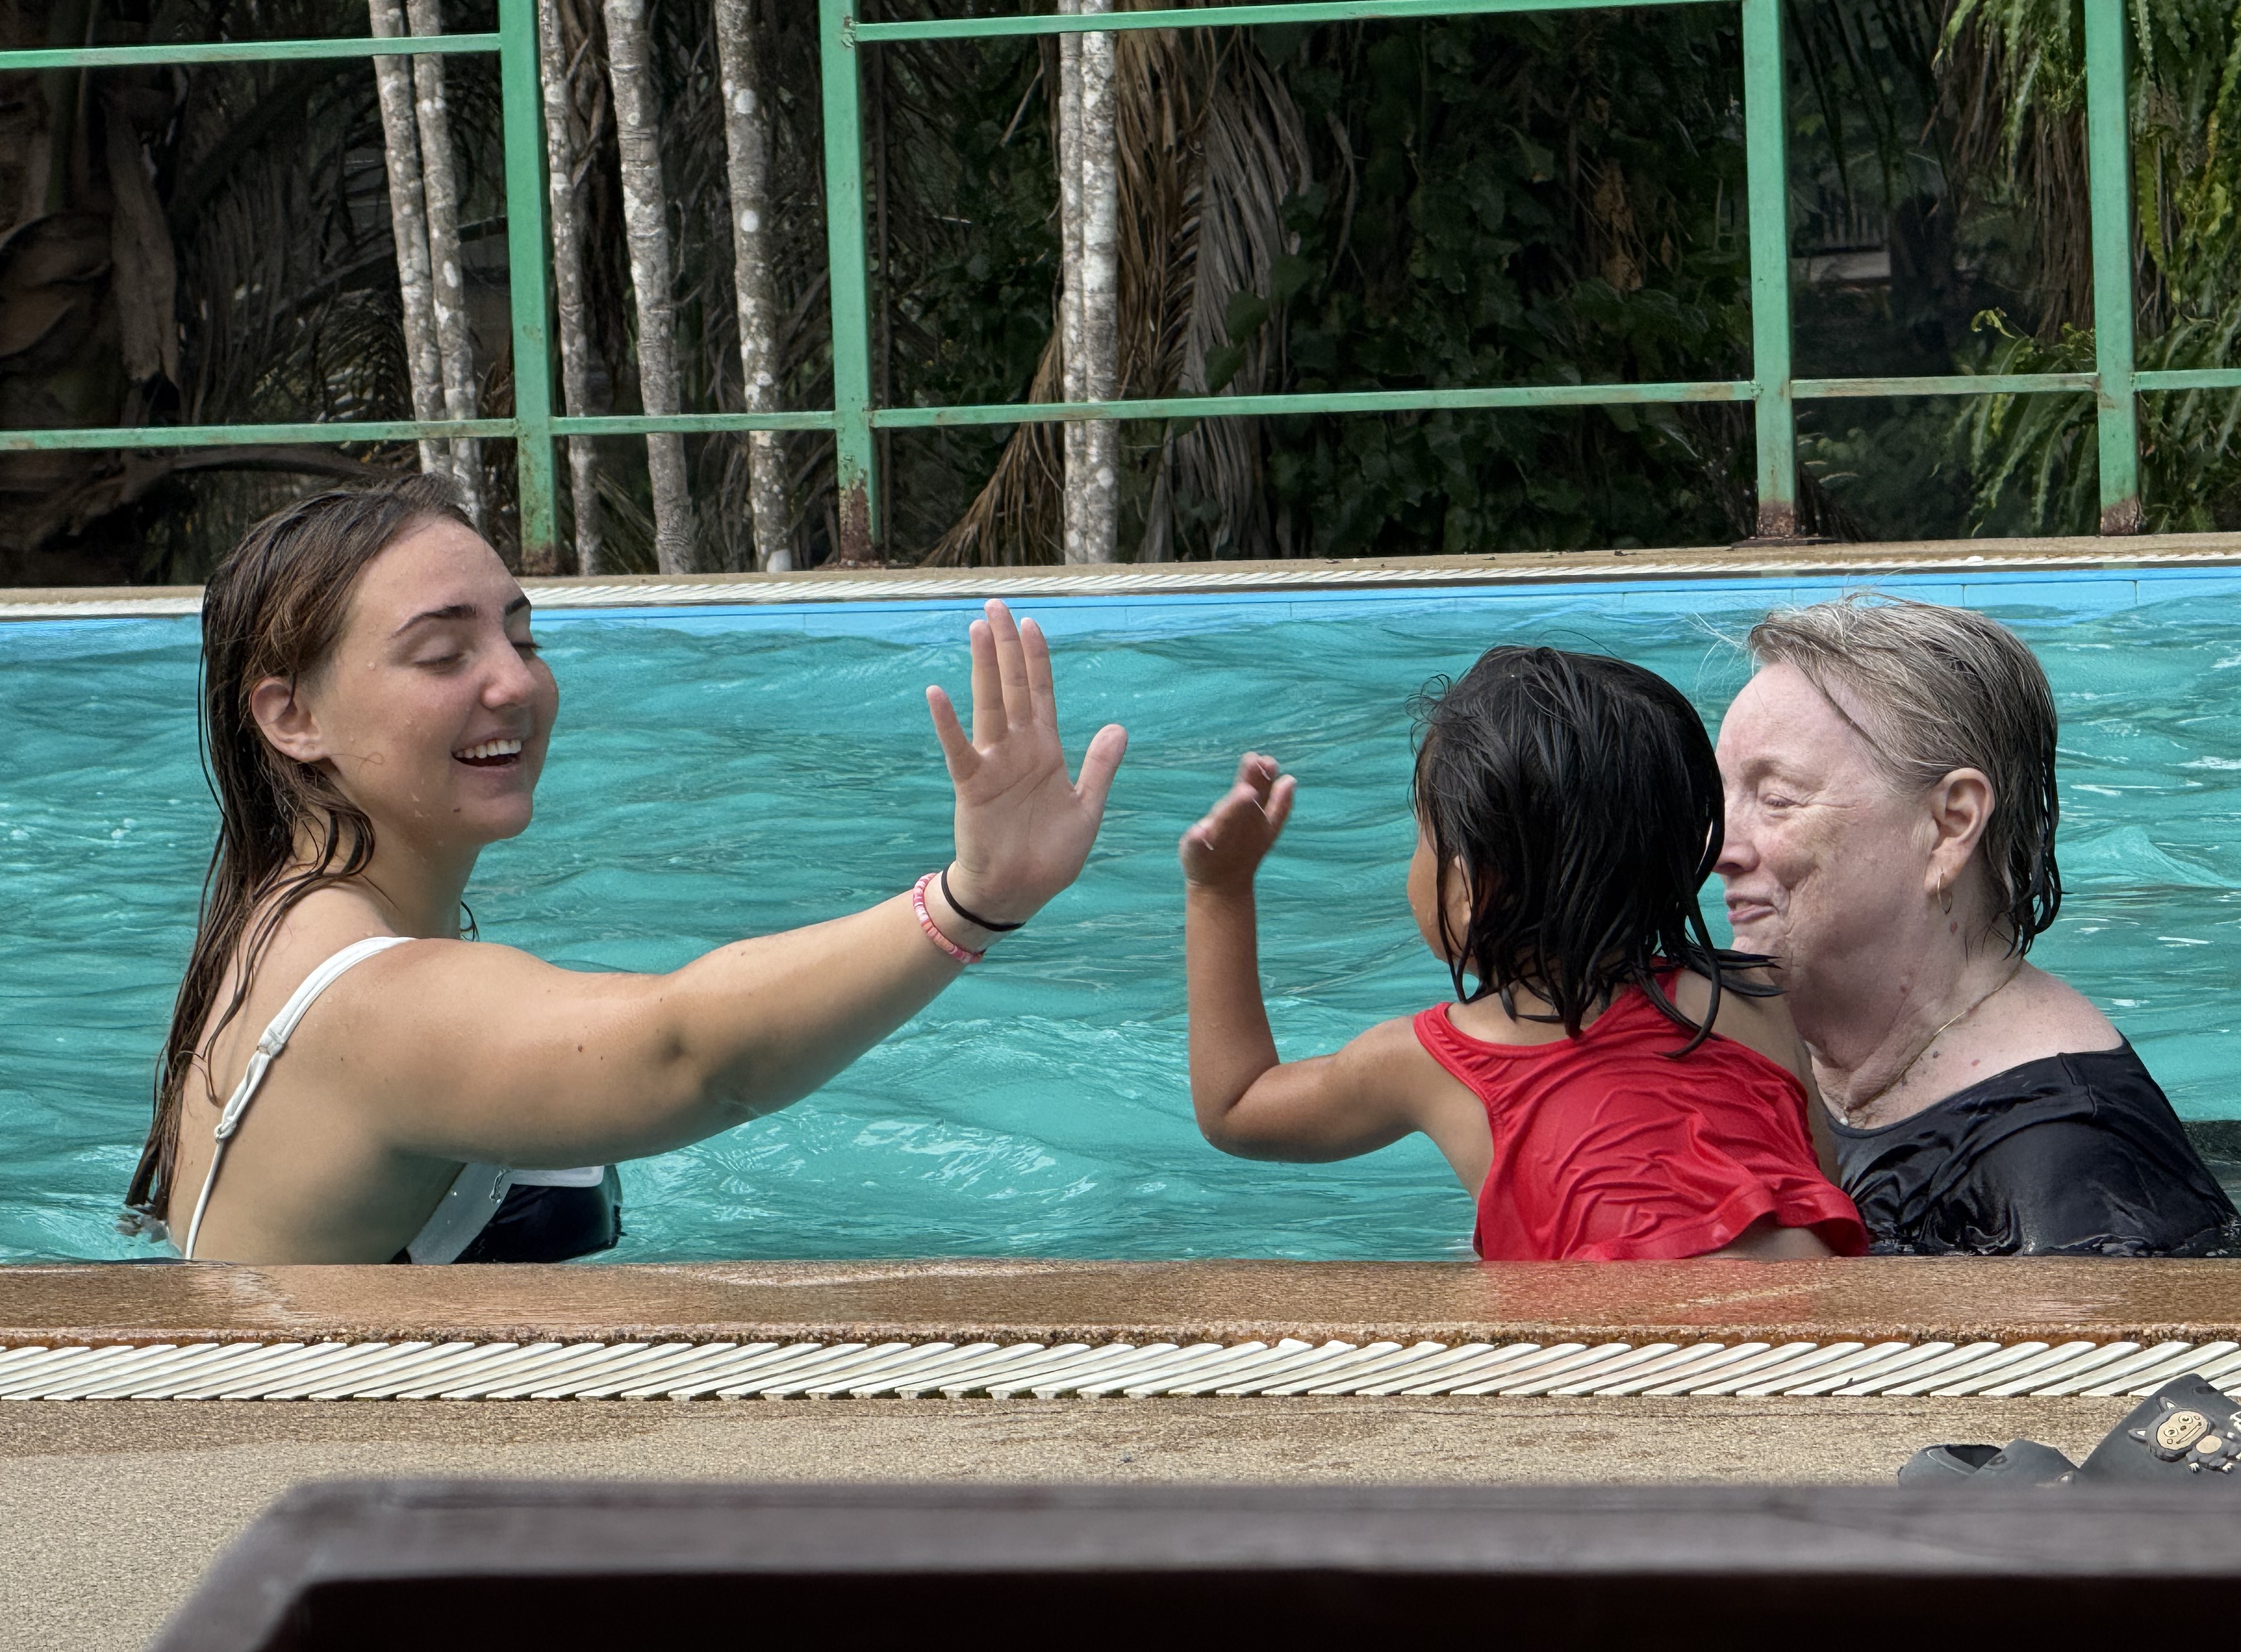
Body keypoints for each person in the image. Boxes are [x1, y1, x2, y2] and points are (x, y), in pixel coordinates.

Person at [123, 478, 1127, 1263]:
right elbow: (690, 1055)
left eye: (523, 637)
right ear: (291, 716)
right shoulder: (367, 1000)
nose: (515, 681)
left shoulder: (283, 926)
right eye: (442, 655)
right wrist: (969, 904)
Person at [1181, 644, 1866, 1261]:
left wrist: (1220, 891)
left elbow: (1236, 1108)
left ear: (1473, 888)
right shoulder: (1752, 998)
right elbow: (1828, 1201)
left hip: (1617, 1355)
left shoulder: (1432, 1061)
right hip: (1824, 1341)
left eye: (1423, 836)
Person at [1715, 595, 2235, 1256]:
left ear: (1950, 825)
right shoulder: (1784, 1063)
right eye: (1721, 797)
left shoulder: (2070, 1169)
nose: (1719, 848)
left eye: (1777, 799)